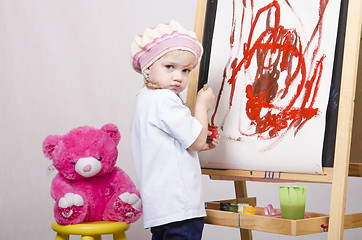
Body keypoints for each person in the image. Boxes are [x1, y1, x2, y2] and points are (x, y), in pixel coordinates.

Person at [130, 20, 219, 240]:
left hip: (161, 208)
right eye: (170, 67)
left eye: (186, 70)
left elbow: (173, 146)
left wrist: (199, 143)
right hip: (180, 207)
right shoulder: (165, 99)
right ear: (148, 67)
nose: (178, 76)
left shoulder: (144, 100)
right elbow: (196, 142)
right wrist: (202, 105)